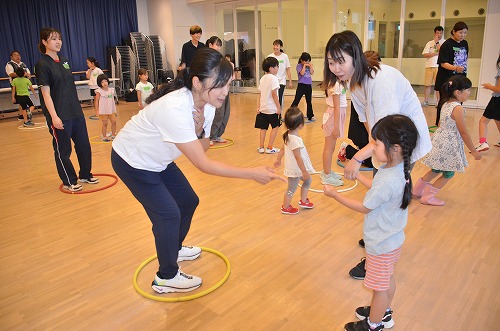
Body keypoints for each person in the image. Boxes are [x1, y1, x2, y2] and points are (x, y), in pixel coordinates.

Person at [111, 48, 282, 294]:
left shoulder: (208, 105)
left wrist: (200, 128)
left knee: (188, 201)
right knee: (168, 215)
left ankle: (174, 246)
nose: (225, 91)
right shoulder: (175, 106)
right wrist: (252, 173)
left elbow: (203, 148)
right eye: (220, 84)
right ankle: (165, 277)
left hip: (158, 160)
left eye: (228, 83)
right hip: (133, 161)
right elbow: (202, 164)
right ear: (196, 82)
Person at [323, 30, 432, 281]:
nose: (336, 68)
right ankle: (377, 237)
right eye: (331, 61)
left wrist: (358, 157)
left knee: (387, 199)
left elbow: (390, 132)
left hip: (401, 143)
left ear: (355, 57)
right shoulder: (354, 81)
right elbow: (367, 122)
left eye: (341, 61)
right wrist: (369, 149)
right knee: (380, 192)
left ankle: (378, 253)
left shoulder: (379, 80)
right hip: (385, 144)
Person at [324, 114, 419, 331]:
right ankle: (383, 312)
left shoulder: (388, 179)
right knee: (386, 281)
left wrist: (335, 196)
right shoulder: (398, 169)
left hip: (380, 244)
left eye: (376, 144)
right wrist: (357, 176)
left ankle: (374, 324)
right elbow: (377, 188)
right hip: (393, 240)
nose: (373, 148)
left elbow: (365, 207)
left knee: (379, 288)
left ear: (394, 148)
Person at [35, 27, 99, 192]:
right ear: (44, 42)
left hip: (75, 112)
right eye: (53, 39)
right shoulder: (42, 64)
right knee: (63, 150)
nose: (58, 42)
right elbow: (46, 94)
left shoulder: (64, 61)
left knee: (84, 145)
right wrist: (54, 117)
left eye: (59, 38)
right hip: (59, 115)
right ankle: (69, 181)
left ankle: (85, 174)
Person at [413, 75, 482, 206]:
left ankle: (417, 191)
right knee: (449, 173)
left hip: (440, 141)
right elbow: (463, 131)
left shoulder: (445, 104)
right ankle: (427, 197)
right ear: (458, 92)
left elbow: (439, 123)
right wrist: (474, 151)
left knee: (436, 169)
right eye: (467, 90)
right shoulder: (458, 108)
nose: (469, 93)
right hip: (449, 145)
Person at [274, 107, 315, 215]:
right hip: (296, 169)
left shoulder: (288, 135)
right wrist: (304, 171)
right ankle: (286, 207)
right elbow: (298, 157)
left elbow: (283, 148)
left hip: (297, 169)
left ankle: (303, 200)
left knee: (308, 181)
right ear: (300, 125)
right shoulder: (295, 140)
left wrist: (278, 159)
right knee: (291, 189)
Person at [434, 21, 469, 126]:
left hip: (460, 77)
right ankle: (440, 122)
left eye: (465, 33)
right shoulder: (447, 45)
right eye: (460, 32)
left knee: (459, 100)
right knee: (444, 101)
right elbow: (443, 63)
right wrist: (455, 68)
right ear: (453, 32)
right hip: (446, 78)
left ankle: (456, 120)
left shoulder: (465, 43)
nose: (463, 35)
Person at [320, 80, 347, 187]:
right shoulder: (335, 84)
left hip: (334, 116)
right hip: (333, 117)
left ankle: (327, 171)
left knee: (331, 147)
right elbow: (336, 107)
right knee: (329, 148)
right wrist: (336, 127)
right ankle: (326, 175)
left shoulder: (338, 83)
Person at [206, 37, 232, 145]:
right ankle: (210, 135)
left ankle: (217, 135)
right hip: (215, 90)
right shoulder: (208, 58)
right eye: (217, 44)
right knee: (218, 113)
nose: (219, 47)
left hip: (224, 88)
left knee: (226, 112)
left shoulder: (221, 58)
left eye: (220, 45)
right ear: (210, 45)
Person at [255, 57, 281, 154]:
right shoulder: (274, 78)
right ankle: (270, 147)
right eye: (276, 66)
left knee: (263, 128)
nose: (278, 68)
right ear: (271, 68)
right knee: (275, 127)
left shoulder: (263, 78)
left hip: (263, 108)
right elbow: (274, 94)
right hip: (272, 109)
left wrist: (258, 107)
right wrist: (279, 107)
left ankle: (261, 147)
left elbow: (260, 94)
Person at [475, 54, 500, 151]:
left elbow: (498, 89)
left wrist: (489, 86)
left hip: (497, 99)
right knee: (498, 119)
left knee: (483, 121)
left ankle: (482, 142)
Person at [421, 26, 445, 107]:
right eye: (437, 33)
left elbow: (442, 52)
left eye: (441, 33)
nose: (439, 35)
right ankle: (426, 101)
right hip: (429, 66)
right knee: (427, 84)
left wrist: (437, 44)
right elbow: (425, 54)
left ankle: (438, 102)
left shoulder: (444, 42)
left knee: (438, 86)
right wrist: (436, 53)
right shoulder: (429, 43)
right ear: (434, 33)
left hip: (439, 66)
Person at [5, 50, 31, 120]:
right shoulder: (9, 64)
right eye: (15, 55)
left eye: (18, 55)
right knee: (21, 100)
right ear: (11, 57)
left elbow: (28, 73)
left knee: (23, 99)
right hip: (16, 84)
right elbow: (11, 74)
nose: (17, 56)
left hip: (24, 84)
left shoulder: (23, 64)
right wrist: (22, 74)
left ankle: (22, 114)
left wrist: (28, 75)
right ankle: (22, 115)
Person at [268, 39, 292, 109]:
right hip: (272, 80)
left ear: (281, 47)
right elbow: (267, 70)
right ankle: (273, 112)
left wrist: (290, 81)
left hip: (281, 81)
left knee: (279, 97)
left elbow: (288, 69)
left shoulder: (285, 56)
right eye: (274, 45)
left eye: (277, 45)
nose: (275, 47)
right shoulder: (270, 56)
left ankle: (279, 114)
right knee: (272, 97)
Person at [290, 52, 315, 121]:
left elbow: (312, 73)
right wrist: (304, 66)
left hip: (308, 85)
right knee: (297, 100)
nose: (307, 62)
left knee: (309, 101)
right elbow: (302, 73)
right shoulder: (299, 66)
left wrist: (310, 66)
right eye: (306, 61)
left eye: (308, 61)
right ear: (301, 60)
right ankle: (291, 113)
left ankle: (310, 115)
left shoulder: (309, 65)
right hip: (301, 85)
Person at [95, 74, 117, 141]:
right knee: (105, 123)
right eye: (102, 82)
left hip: (111, 110)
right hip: (103, 110)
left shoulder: (111, 90)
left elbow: (112, 100)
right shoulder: (99, 91)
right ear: (99, 83)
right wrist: (97, 110)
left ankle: (113, 135)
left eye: (105, 81)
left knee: (114, 122)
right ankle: (104, 136)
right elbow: (96, 101)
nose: (104, 83)